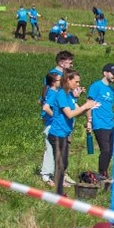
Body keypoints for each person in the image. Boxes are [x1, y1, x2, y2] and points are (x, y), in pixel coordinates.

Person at [46, 69, 98, 195]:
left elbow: (76, 112)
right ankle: (58, 194)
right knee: (60, 164)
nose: (78, 85)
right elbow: (69, 114)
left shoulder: (69, 95)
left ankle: (59, 191)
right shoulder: (61, 95)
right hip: (57, 135)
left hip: (64, 134)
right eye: (76, 82)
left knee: (64, 164)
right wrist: (85, 106)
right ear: (68, 80)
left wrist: (88, 108)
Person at [40, 50, 74, 184]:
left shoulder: (63, 77)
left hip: (64, 118)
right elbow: (46, 100)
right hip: (54, 120)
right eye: (69, 62)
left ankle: (60, 174)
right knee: (51, 148)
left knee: (62, 149)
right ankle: (46, 174)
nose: (71, 65)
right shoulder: (54, 77)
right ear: (61, 62)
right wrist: (54, 116)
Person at [86, 64, 114, 179]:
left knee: (110, 151)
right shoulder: (96, 86)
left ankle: (104, 173)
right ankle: (102, 173)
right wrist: (89, 120)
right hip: (99, 123)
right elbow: (88, 104)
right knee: (105, 150)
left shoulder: (112, 90)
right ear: (105, 73)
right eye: (113, 74)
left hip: (111, 124)